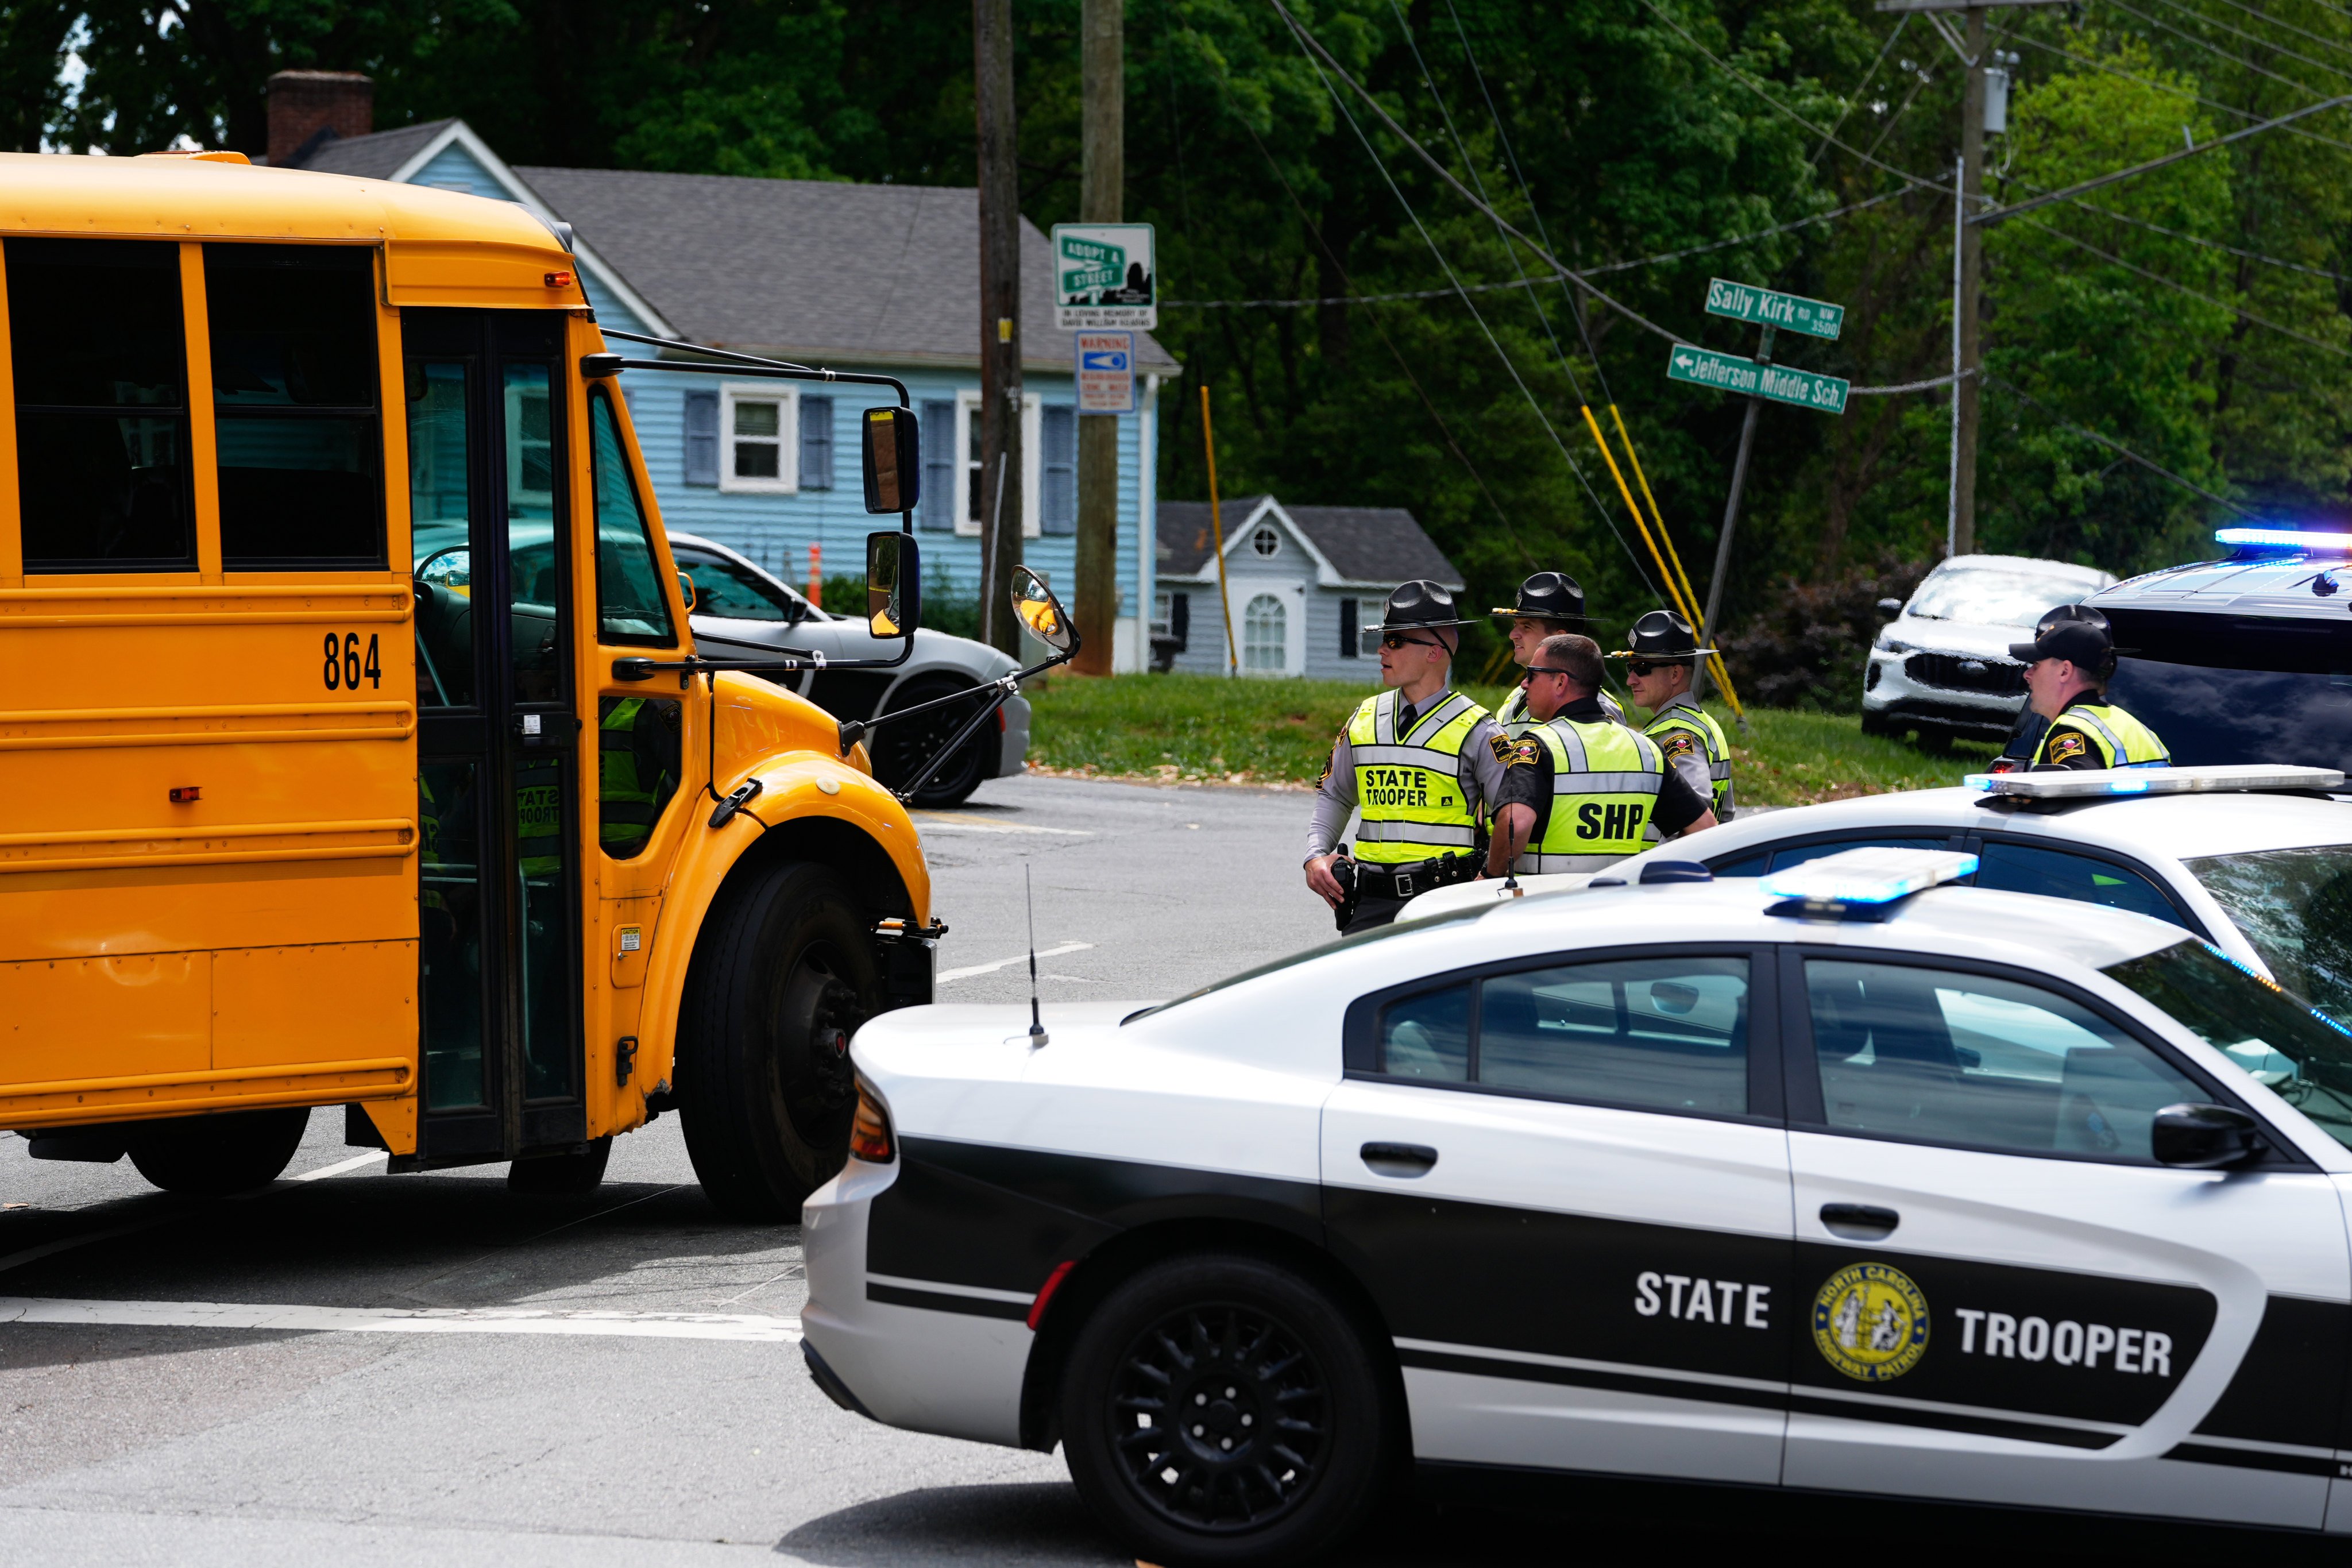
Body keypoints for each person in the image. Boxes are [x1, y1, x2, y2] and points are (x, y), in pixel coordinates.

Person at [1306, 580, 1508, 933]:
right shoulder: (1364, 718)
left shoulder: (1479, 729)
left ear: (1434, 652)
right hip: (1369, 901)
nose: (1381, 650)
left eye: (1395, 641)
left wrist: (1489, 878)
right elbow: (1335, 794)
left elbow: (1508, 818)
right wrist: (1315, 855)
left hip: (1446, 900)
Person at [1488, 633, 1717, 875]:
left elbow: (1517, 823)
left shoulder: (1538, 745)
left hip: (1548, 905)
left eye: (1532, 675)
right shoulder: (1647, 751)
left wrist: (1490, 875)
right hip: (1617, 905)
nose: (1525, 684)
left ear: (1560, 683)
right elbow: (1705, 828)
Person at [2007, 604, 2171, 770]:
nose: (2028, 674)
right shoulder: (2134, 728)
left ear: (2065, 671)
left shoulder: (2072, 732)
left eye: (2036, 664)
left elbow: (2077, 793)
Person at [1611, 609, 1736, 821]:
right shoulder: (1701, 723)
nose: (1630, 680)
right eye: (1629, 668)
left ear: (1675, 674)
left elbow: (1694, 812)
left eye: (1642, 668)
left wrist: (1661, 854)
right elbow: (1725, 813)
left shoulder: (1678, 733)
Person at [1490, 571, 1625, 731]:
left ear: (1560, 639)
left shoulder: (1598, 708)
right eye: (1515, 626)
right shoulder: (1516, 695)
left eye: (1527, 627)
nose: (1512, 635)